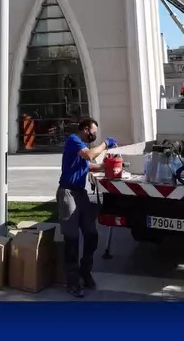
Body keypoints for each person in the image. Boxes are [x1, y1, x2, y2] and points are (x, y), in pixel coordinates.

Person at [56, 118, 117, 298]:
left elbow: (88, 164)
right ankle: (72, 281)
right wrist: (106, 144)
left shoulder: (81, 145)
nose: (94, 135)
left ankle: (85, 271)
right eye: (93, 131)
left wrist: (107, 166)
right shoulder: (74, 140)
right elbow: (89, 155)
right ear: (84, 129)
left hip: (80, 193)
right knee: (72, 239)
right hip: (68, 193)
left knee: (91, 234)